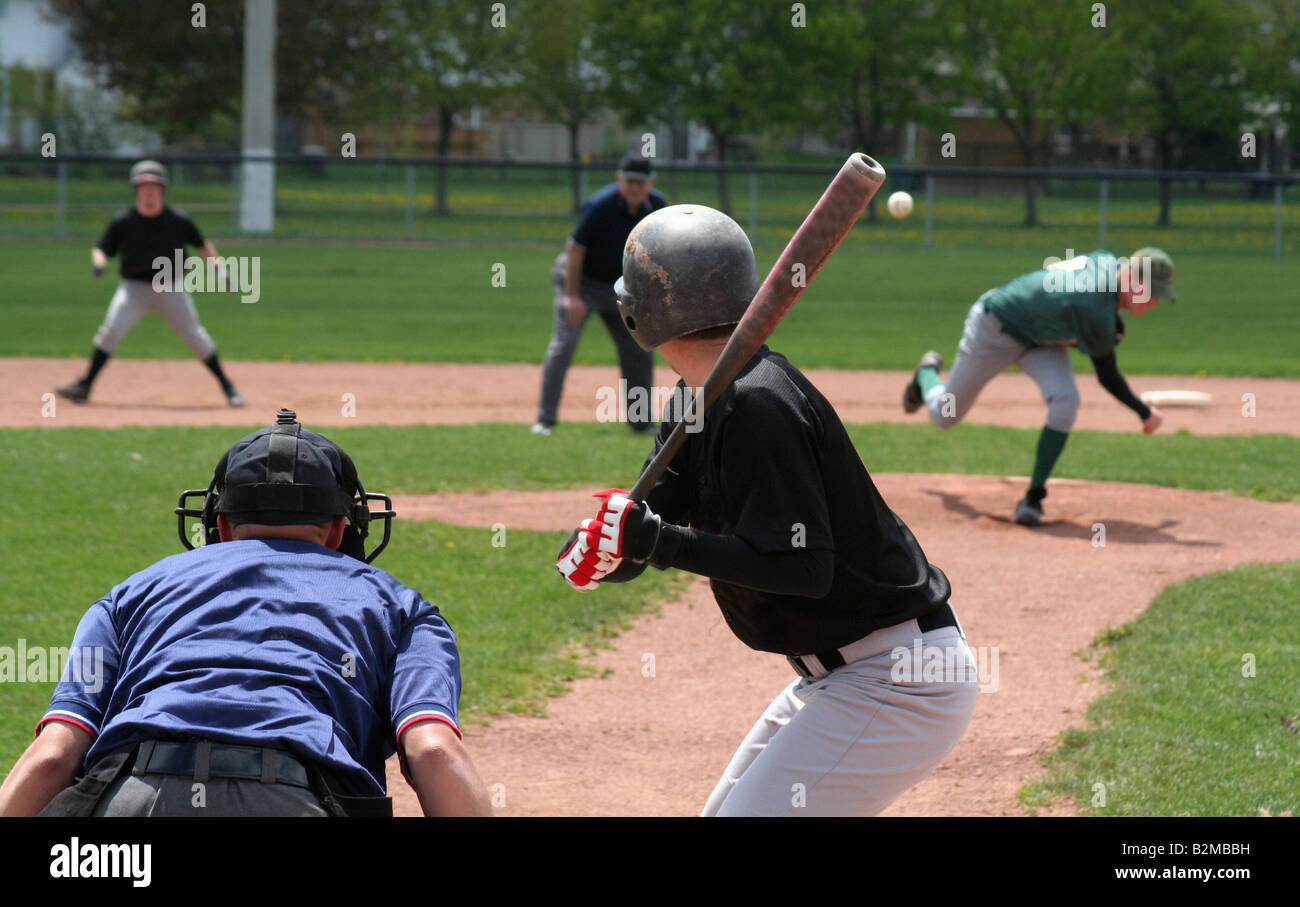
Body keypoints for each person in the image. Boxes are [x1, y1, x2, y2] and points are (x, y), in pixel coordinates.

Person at [555, 205, 978, 817]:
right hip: (844, 674)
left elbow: (803, 568)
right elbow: (649, 524)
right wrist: (605, 550)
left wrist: (658, 543)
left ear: (639, 313)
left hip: (898, 678)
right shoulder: (694, 401)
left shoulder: (759, 404)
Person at [0, 409, 492, 817]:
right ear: (341, 530)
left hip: (130, 795)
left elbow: (53, 756)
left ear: (221, 525)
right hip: (295, 798)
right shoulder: (403, 607)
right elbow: (432, 750)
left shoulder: (130, 594)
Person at [901, 247, 1175, 526]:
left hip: (1041, 340)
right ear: (1130, 277)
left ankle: (1034, 497)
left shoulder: (1107, 263)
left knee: (1066, 399)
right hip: (995, 328)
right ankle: (925, 375)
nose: (1155, 302)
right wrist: (1144, 412)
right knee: (945, 415)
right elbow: (1107, 376)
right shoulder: (1094, 307)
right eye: (1152, 293)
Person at [54, 160, 244, 407]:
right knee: (111, 330)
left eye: (154, 186)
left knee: (195, 338)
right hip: (134, 289)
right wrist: (99, 264)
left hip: (171, 287)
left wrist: (220, 269)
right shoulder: (124, 220)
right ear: (136, 190)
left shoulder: (177, 219)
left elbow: (202, 245)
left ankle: (228, 386)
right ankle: (84, 386)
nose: (149, 190)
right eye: (143, 186)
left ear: (162, 189)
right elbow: (101, 249)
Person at [531, 152, 667, 435]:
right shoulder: (600, 205)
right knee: (563, 346)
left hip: (621, 287)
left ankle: (641, 423)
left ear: (651, 183)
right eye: (629, 181)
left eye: (641, 182)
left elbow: (658, 252)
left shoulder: (657, 206)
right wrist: (572, 297)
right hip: (581, 282)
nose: (634, 187)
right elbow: (575, 249)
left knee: (639, 349)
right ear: (619, 179)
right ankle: (545, 421)